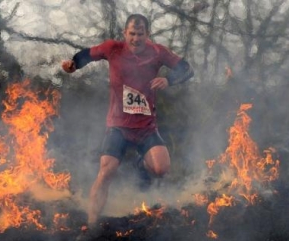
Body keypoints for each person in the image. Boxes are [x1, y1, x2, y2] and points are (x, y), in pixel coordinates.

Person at [61, 14, 194, 228]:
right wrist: (73, 65)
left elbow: (187, 69)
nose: (136, 39)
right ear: (125, 33)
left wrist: (169, 80)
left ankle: (141, 164)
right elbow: (87, 54)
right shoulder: (112, 48)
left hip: (146, 128)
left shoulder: (158, 52)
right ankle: (91, 225)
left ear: (147, 35)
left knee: (161, 169)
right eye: (132, 34)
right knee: (106, 170)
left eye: (140, 34)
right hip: (118, 127)